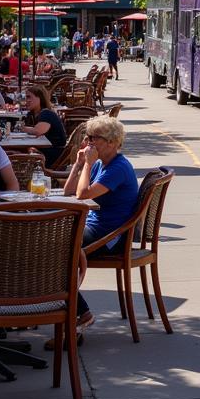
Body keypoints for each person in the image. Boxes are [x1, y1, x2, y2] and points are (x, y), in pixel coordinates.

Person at [63, 117, 139, 329]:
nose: (90, 143)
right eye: (89, 138)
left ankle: (81, 314)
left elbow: (82, 194)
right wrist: (78, 164)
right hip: (95, 226)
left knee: (57, 253)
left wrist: (87, 164)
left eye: (96, 138)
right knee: (51, 247)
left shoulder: (118, 168)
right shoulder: (100, 164)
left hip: (110, 236)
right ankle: (71, 313)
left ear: (113, 142)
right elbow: (69, 191)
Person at [17, 85, 67, 167]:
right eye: (26, 97)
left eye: (29, 97)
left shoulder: (46, 113)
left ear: (39, 98)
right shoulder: (33, 114)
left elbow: (38, 131)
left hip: (53, 154)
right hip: (45, 151)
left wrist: (21, 128)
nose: (27, 100)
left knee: (18, 153)